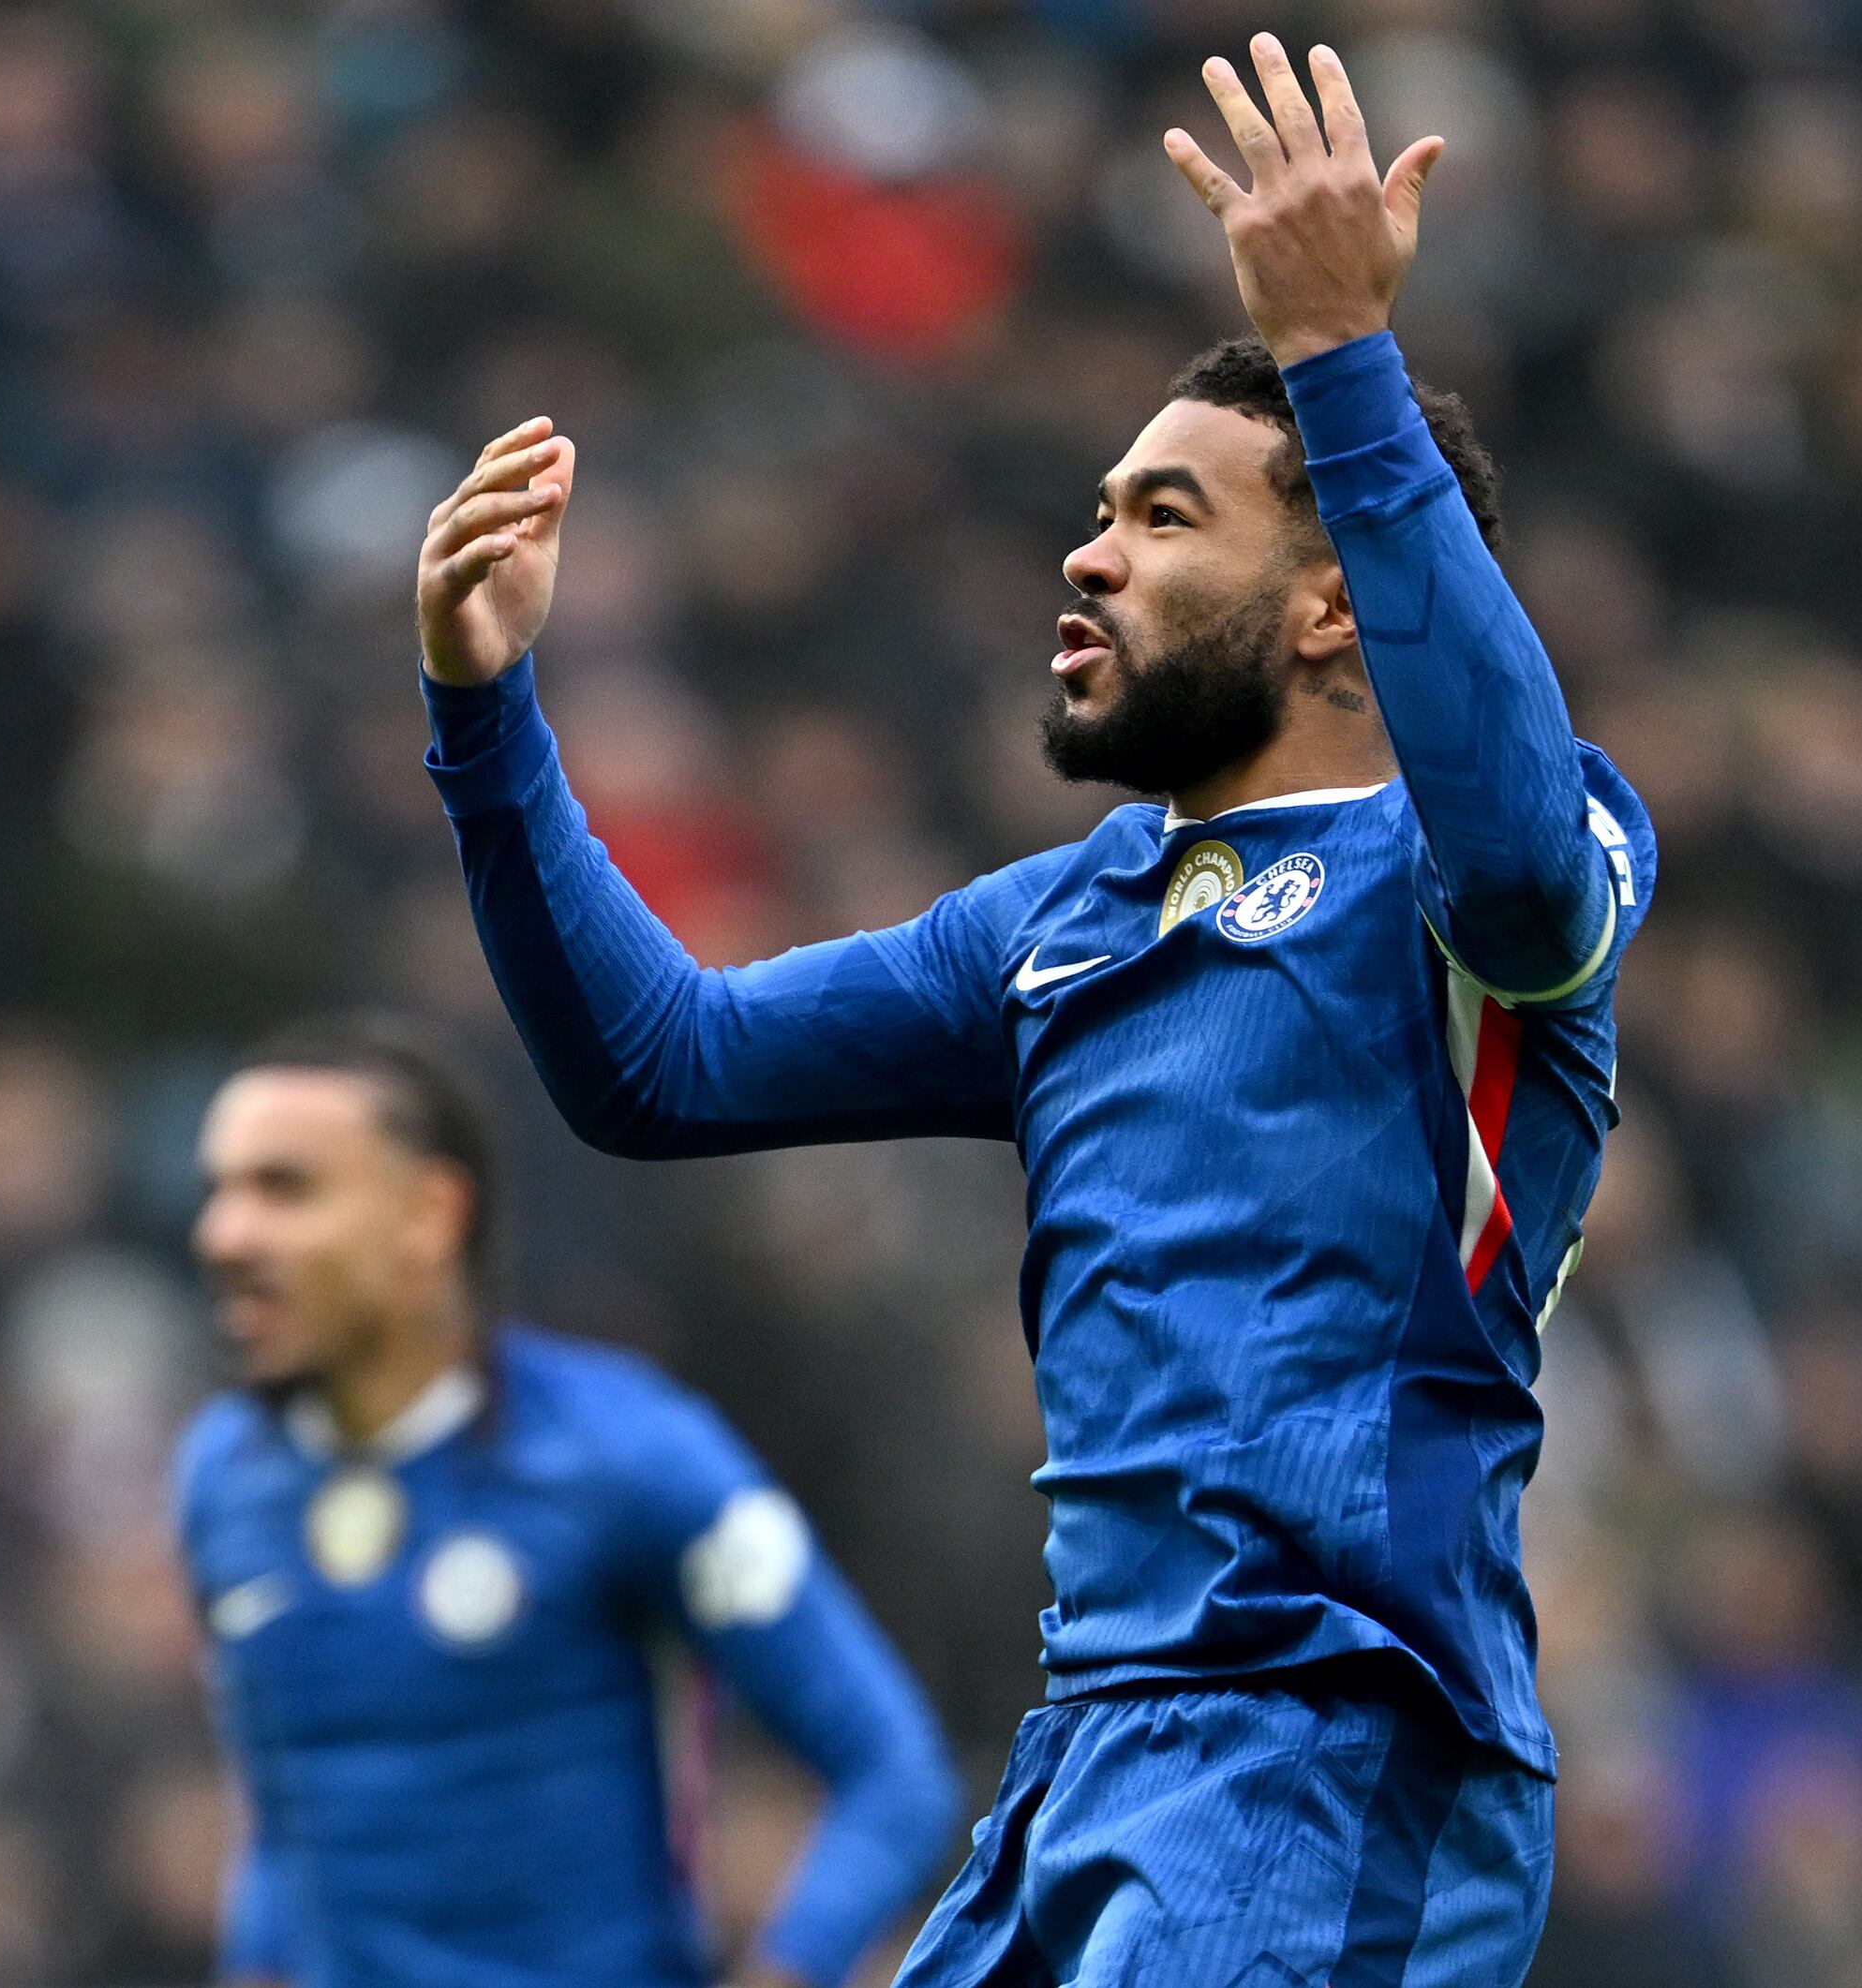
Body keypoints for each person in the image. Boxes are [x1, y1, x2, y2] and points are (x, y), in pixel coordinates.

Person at [413, 36, 1654, 1987]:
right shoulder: (1059, 922)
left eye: (1165, 518)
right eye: (1099, 507)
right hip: (1089, 1761)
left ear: (1334, 599)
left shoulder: (1496, 853)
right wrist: (487, 722)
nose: (1087, 553)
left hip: (1331, 1748)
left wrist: (1341, 353)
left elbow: (1507, 852)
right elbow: (659, 1064)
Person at [173, 1015, 961, 1988]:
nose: (225, 1235)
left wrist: (789, 1967)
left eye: (285, 1189)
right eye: (219, 1191)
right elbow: (282, 1820)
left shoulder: (629, 1454)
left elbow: (893, 1774)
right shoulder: (222, 1479)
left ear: (429, 1215)